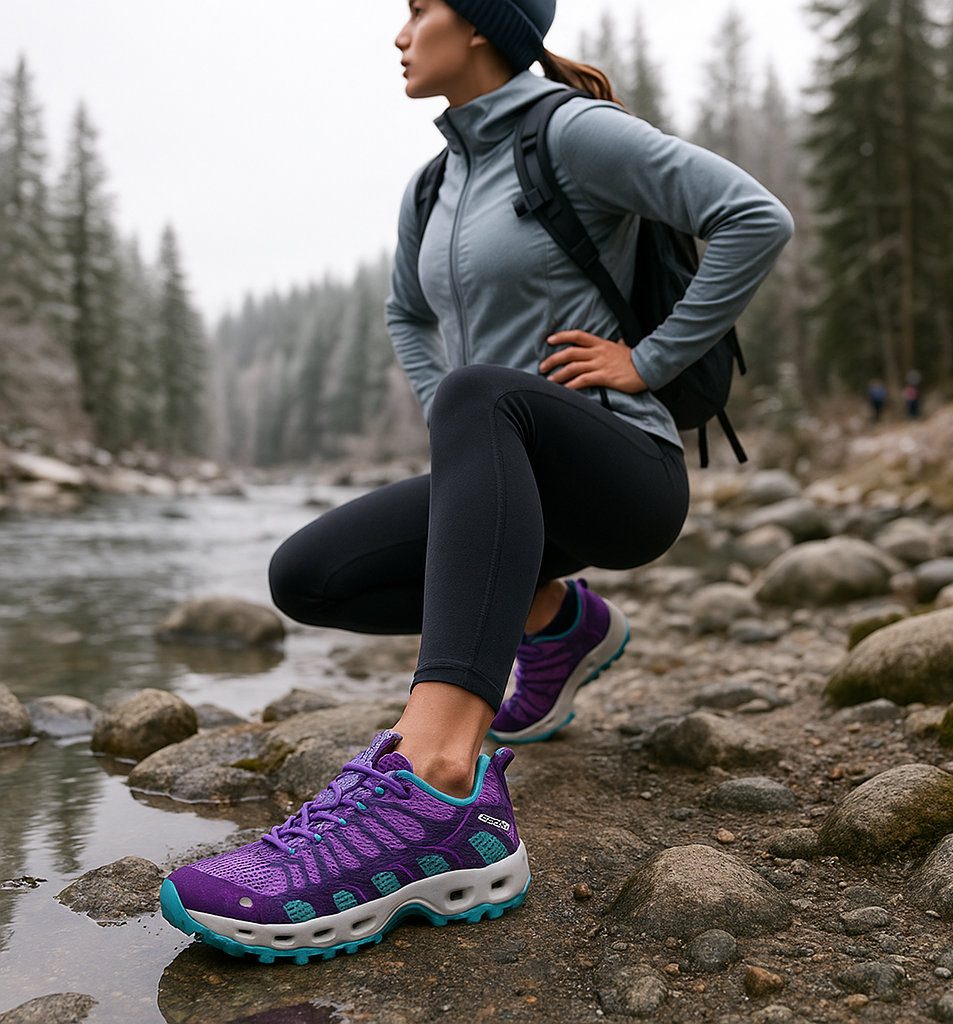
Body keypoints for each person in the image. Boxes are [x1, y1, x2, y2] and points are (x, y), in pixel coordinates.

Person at [160, 0, 793, 962]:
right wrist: (447, 413)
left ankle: (437, 783)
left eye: (420, 8)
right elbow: (404, 312)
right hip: (505, 477)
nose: (400, 31)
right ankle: (556, 618)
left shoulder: (571, 133)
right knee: (308, 575)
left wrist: (649, 361)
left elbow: (754, 214)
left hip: (622, 472)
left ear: (487, 22)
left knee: (481, 395)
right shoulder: (434, 182)